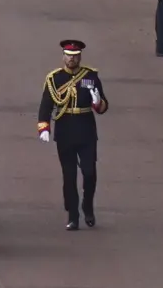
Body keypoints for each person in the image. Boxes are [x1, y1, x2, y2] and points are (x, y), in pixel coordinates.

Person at [37, 39, 109, 229]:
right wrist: (44, 128)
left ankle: (88, 205)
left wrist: (97, 101)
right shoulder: (54, 79)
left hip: (85, 129)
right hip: (65, 129)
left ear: (80, 57)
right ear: (63, 57)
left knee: (89, 173)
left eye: (75, 56)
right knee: (69, 176)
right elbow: (46, 105)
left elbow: (103, 107)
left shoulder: (90, 76)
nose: (72, 60)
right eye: (69, 56)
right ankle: (73, 215)